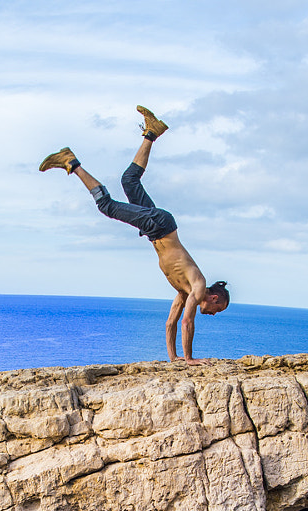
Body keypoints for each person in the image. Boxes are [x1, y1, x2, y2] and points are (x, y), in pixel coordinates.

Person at [40, 106, 229, 365]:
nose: (213, 314)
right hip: (159, 226)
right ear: (214, 298)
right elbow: (187, 322)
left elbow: (171, 322)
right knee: (107, 206)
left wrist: (174, 358)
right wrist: (190, 359)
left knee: (129, 181)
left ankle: (151, 132)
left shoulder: (185, 291)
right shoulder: (197, 286)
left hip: (159, 228)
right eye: (217, 310)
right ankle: (70, 161)